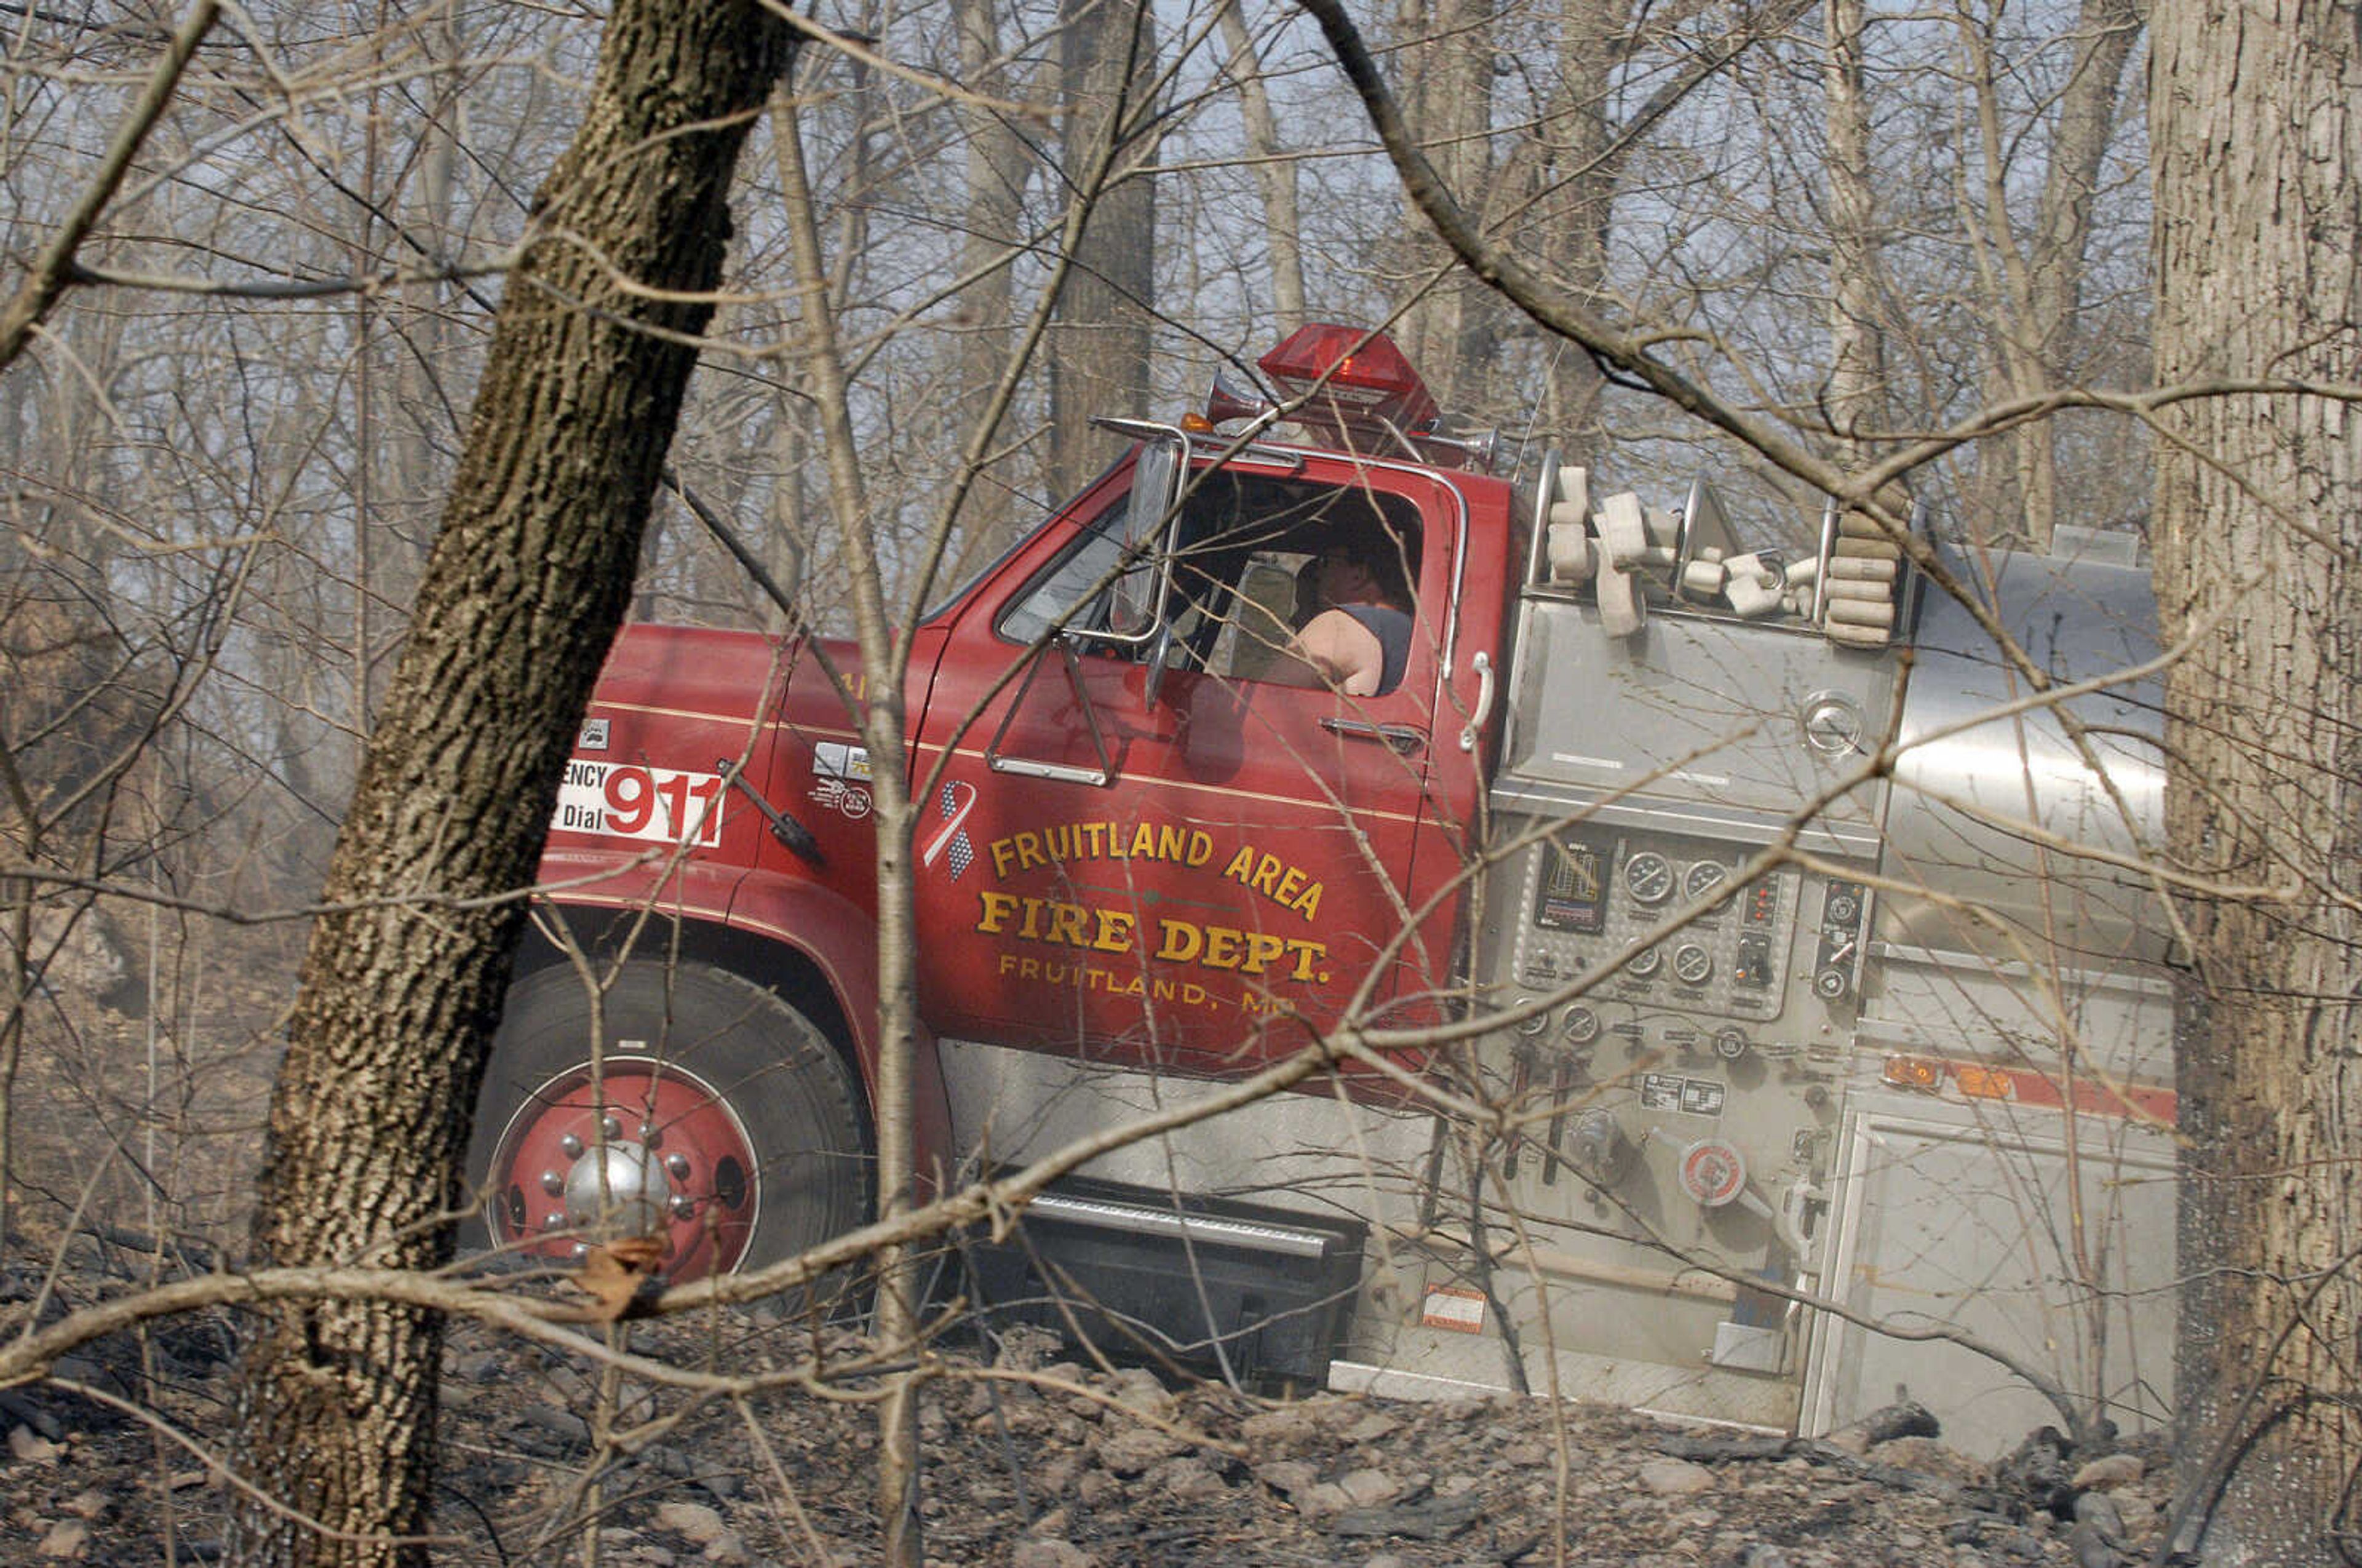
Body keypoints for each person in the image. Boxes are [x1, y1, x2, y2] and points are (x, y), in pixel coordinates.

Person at [1274, 538, 1413, 696]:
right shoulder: (1417, 636)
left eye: (1325, 562)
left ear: (1358, 575)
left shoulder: (1340, 625)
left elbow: (1268, 704)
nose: (1319, 573)